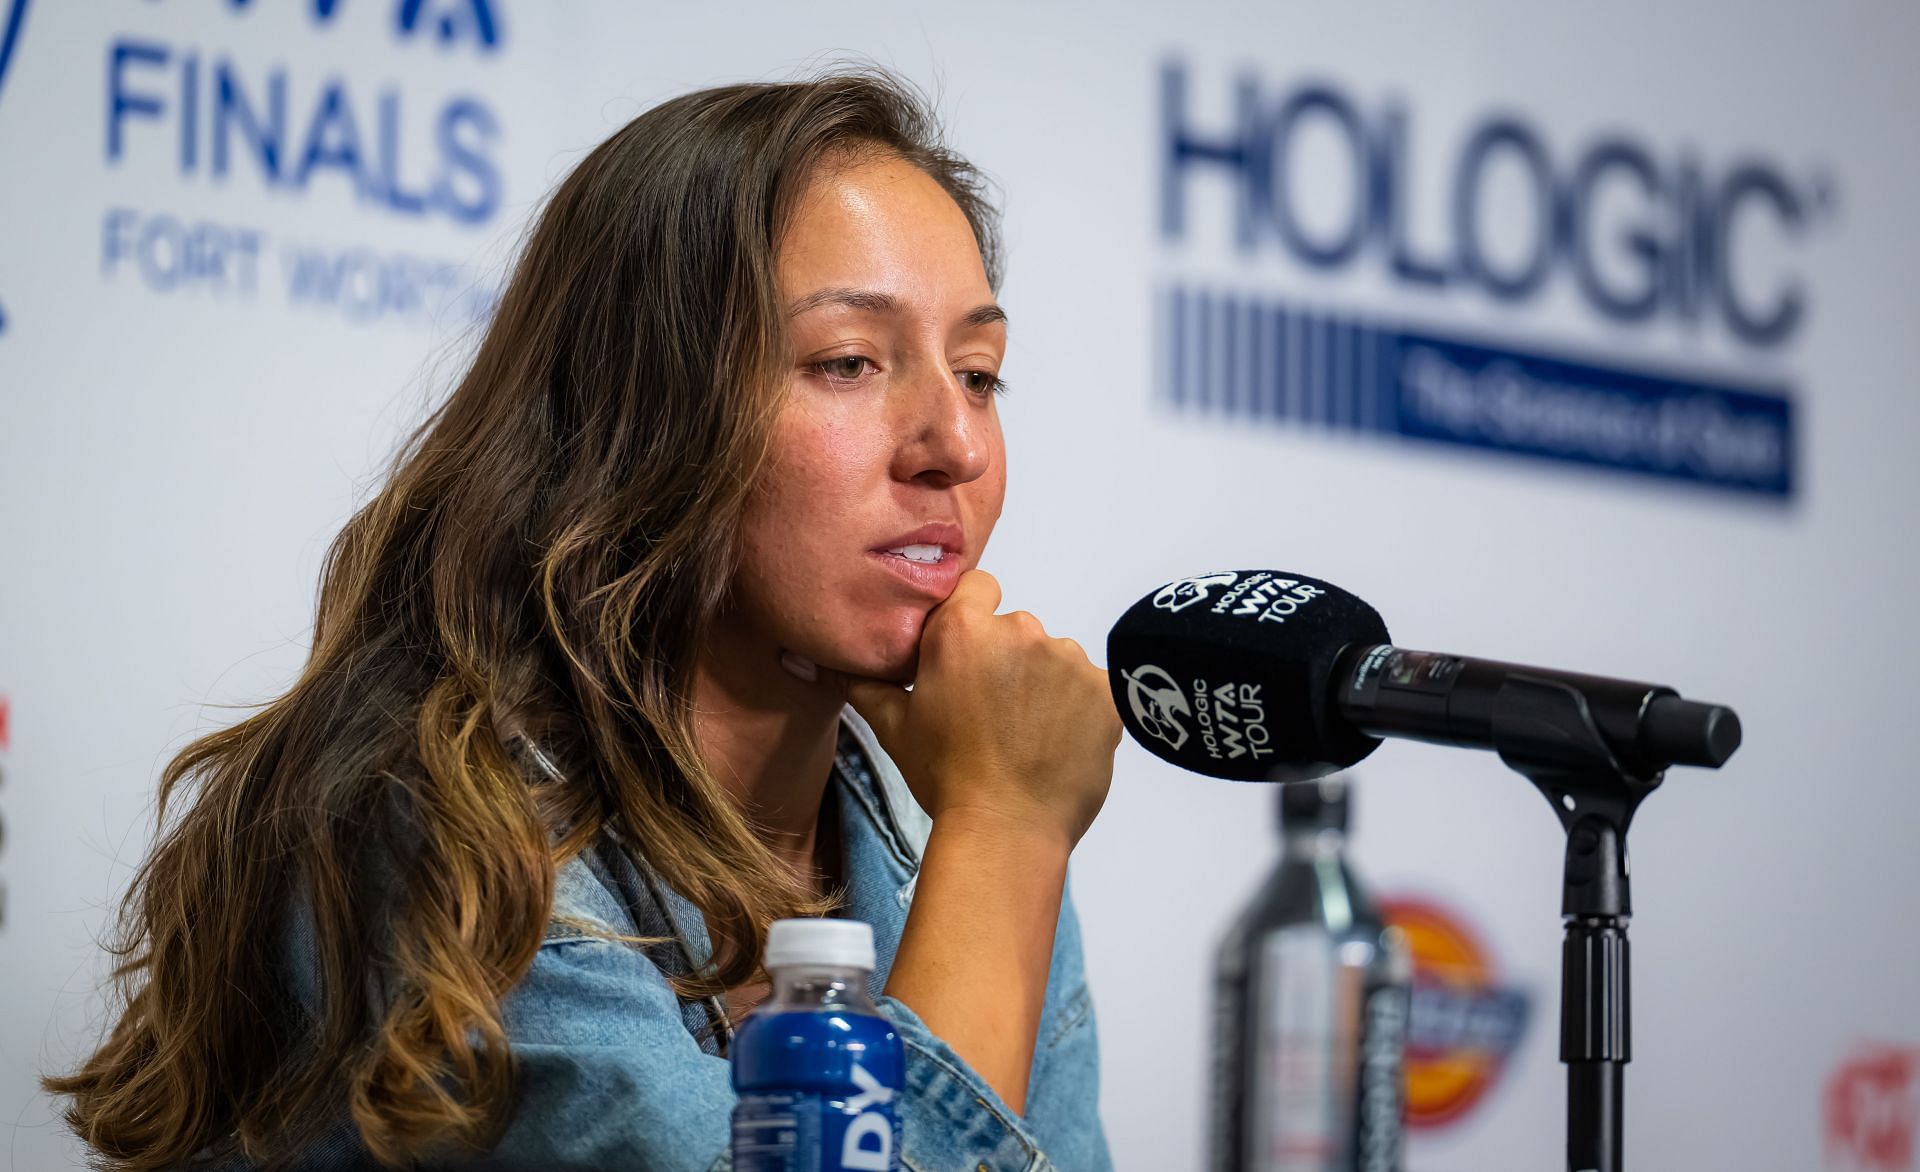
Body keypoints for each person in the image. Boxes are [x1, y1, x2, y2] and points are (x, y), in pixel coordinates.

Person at [44, 66, 1123, 1170]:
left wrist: (995, 832)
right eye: (848, 361)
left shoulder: (957, 828)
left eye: (980, 373)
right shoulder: (436, 827)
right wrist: (1008, 831)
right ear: (645, 409)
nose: (958, 444)